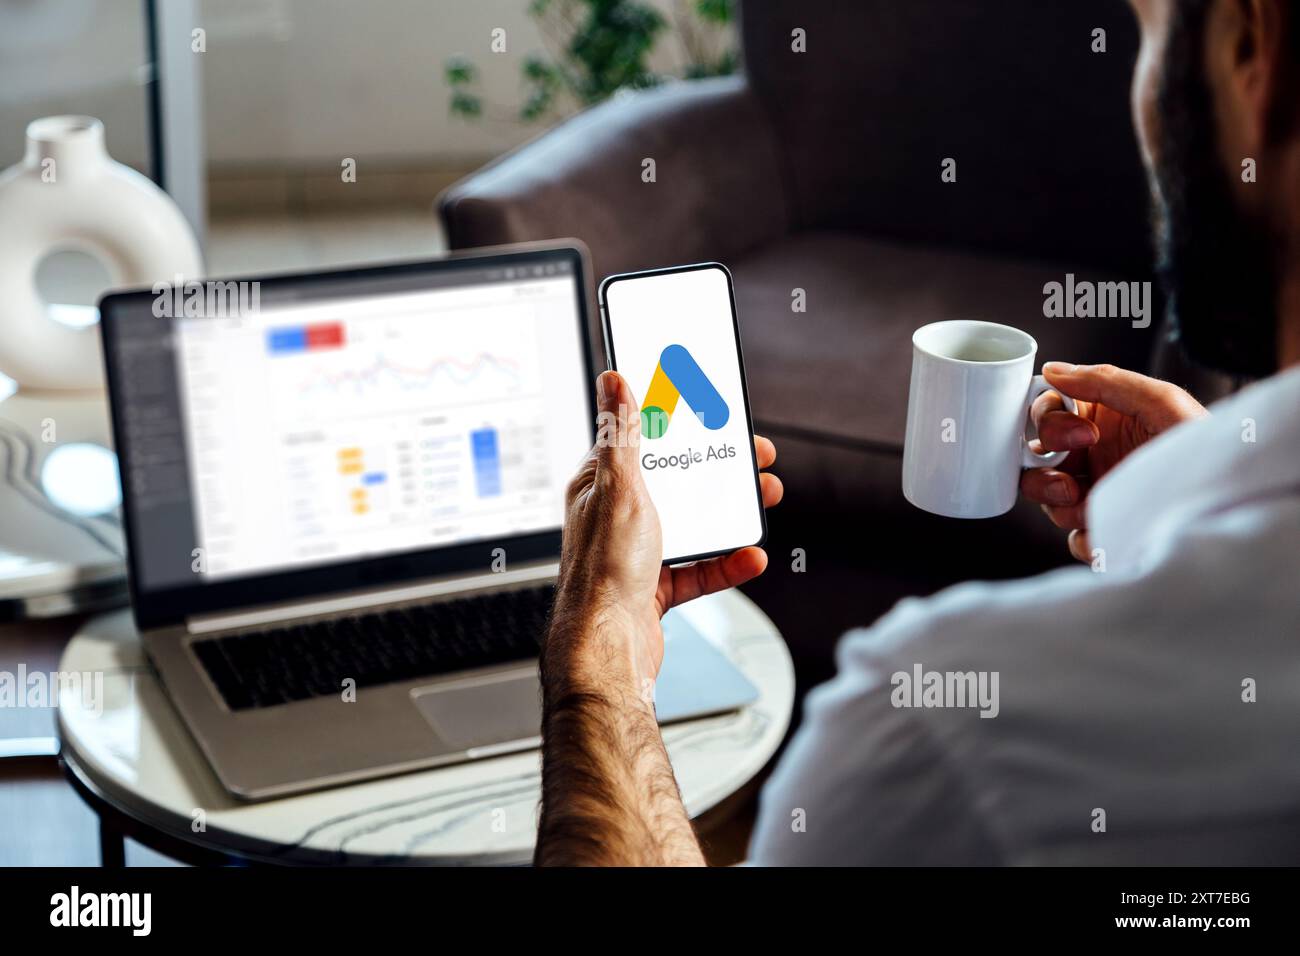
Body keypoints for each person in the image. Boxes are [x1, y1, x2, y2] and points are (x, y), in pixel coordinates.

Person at [534, 0, 1300, 866]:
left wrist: (596, 658)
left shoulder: (940, 743)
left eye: (1148, 33)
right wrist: (1187, 534)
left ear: (1249, 43)